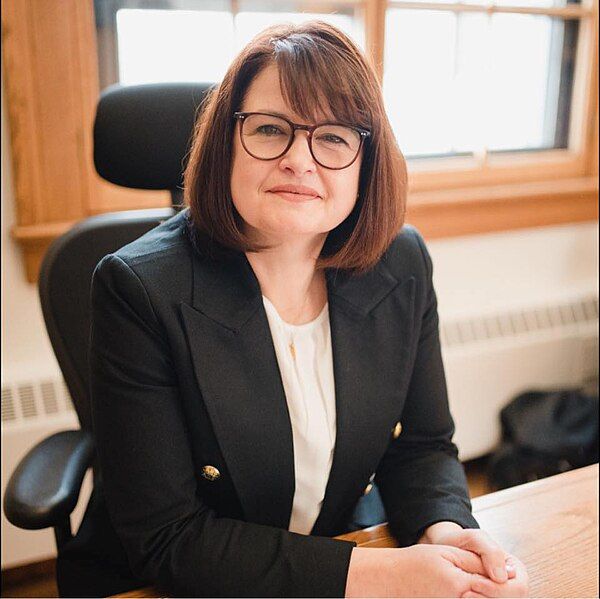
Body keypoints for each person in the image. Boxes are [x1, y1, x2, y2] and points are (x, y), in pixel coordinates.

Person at [83, 21, 529, 598]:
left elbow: (420, 447)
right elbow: (171, 539)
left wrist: (446, 532)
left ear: (367, 161)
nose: (300, 159)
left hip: (332, 553)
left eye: (334, 137)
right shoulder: (138, 288)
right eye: (271, 129)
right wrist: (385, 577)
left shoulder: (401, 263)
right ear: (226, 142)